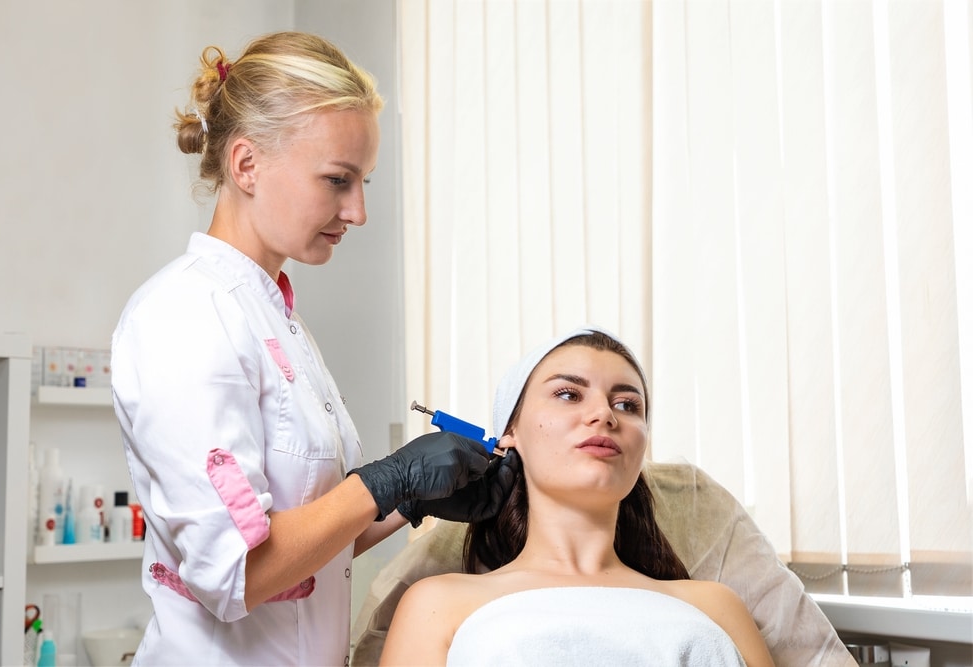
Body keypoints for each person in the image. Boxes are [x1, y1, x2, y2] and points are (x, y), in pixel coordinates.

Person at [110, 31, 517, 666]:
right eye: (337, 180)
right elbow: (235, 573)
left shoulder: (273, 316)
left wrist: (412, 500)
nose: (357, 211)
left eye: (364, 182)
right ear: (246, 165)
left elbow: (304, 560)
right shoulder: (187, 316)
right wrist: (386, 480)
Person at [380, 327, 775, 666]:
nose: (605, 414)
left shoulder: (716, 608)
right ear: (509, 432)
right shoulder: (437, 605)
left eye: (627, 404)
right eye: (569, 394)